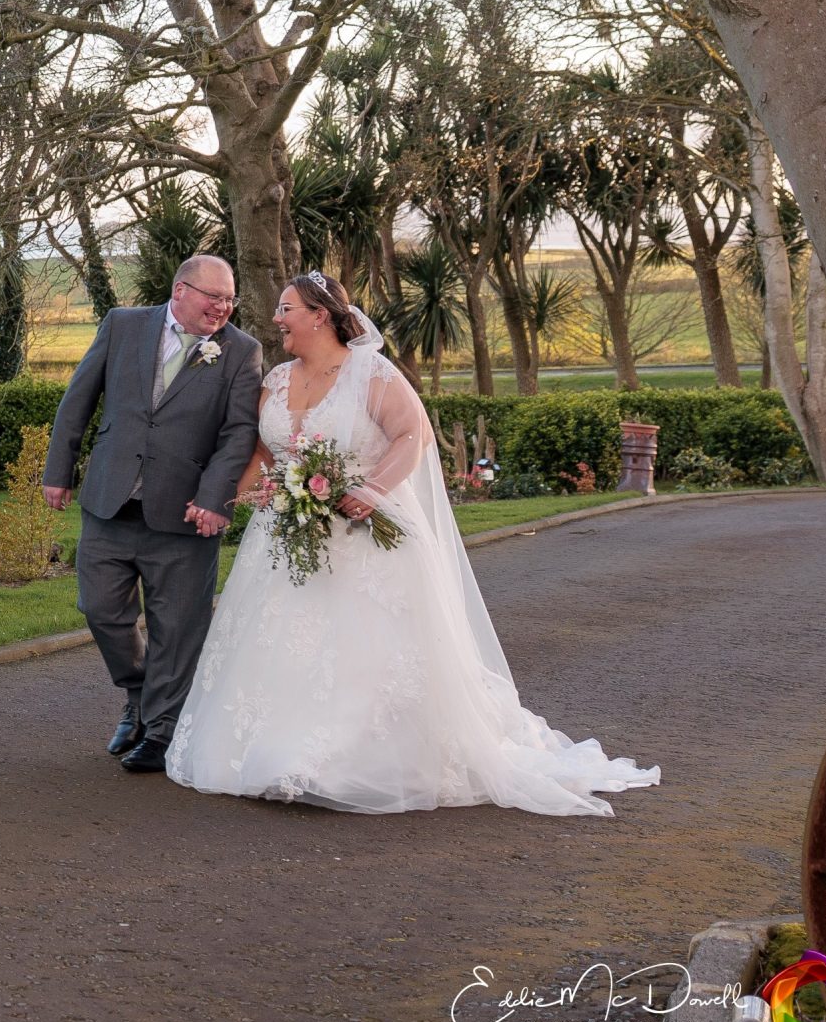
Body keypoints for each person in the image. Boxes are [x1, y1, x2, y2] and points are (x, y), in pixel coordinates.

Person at [166, 270, 660, 815]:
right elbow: (263, 449)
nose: (277, 319)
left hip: (363, 534)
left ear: (319, 316)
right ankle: (269, 749)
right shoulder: (277, 380)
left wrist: (372, 490)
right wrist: (249, 489)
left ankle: (349, 757)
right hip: (286, 536)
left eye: (286, 309)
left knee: (359, 650)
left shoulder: (371, 373)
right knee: (280, 644)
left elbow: (414, 436)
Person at [42, 254, 264, 774]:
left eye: (230, 299)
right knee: (99, 609)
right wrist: (59, 470)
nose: (223, 308)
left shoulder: (241, 351)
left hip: (185, 514)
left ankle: (162, 732)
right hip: (109, 500)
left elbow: (238, 435)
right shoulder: (122, 325)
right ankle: (138, 694)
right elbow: (79, 398)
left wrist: (215, 497)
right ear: (181, 290)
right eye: (214, 297)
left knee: (178, 627)